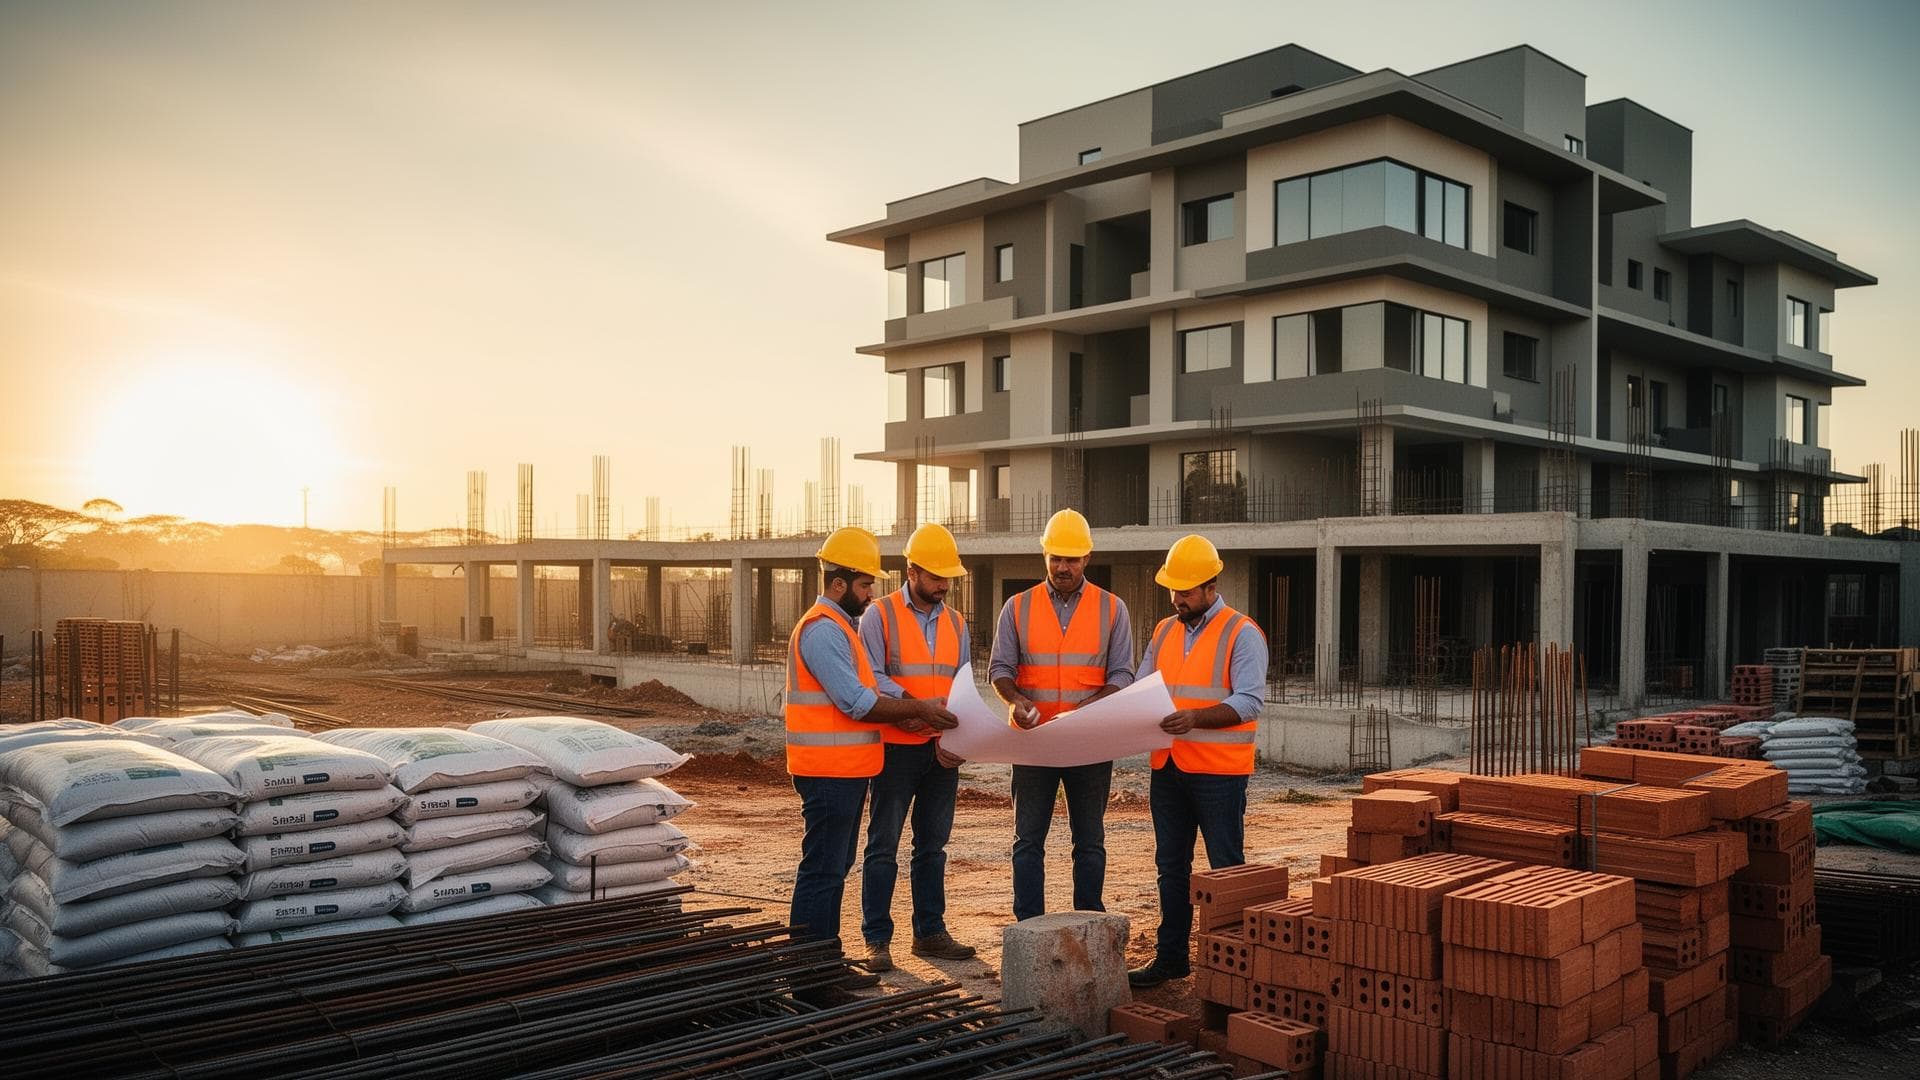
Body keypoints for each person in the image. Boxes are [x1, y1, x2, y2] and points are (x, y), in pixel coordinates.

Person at [785, 526, 957, 995]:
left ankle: (825, 960)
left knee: (833, 867)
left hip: (845, 771)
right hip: (827, 772)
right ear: (839, 583)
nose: (869, 594)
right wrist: (919, 707)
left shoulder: (842, 627)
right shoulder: (823, 630)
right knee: (822, 870)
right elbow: (857, 701)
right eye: (864, 585)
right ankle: (809, 975)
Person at [1127, 533, 1270, 989]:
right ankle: (1172, 959)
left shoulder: (1242, 632)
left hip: (1219, 775)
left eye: (1185, 591)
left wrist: (1194, 718)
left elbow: (1248, 702)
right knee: (1171, 866)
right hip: (1168, 769)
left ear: (1211, 586)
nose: (1176, 599)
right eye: (1173, 590)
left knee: (1226, 868)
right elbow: (1143, 688)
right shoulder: (1165, 631)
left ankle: (1230, 966)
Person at [988, 508, 1134, 922]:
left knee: (1089, 840)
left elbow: (1122, 672)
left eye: (1071, 559)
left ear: (1087, 559)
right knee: (1027, 841)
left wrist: (1094, 705)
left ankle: (1088, 922)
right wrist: (1015, 701)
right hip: (1034, 742)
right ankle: (1028, 926)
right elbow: (1000, 669)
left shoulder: (1112, 609)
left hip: (1088, 743)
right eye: (1056, 557)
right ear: (1045, 556)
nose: (1062, 567)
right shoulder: (1017, 607)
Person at [855, 522, 980, 971]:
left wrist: (958, 738)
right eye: (936, 577)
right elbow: (871, 676)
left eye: (949, 577)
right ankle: (877, 938)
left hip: (940, 751)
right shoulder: (880, 615)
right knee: (883, 843)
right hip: (895, 748)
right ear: (912, 571)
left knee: (932, 846)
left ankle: (930, 932)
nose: (944, 585)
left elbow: (963, 687)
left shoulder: (957, 623)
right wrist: (918, 707)